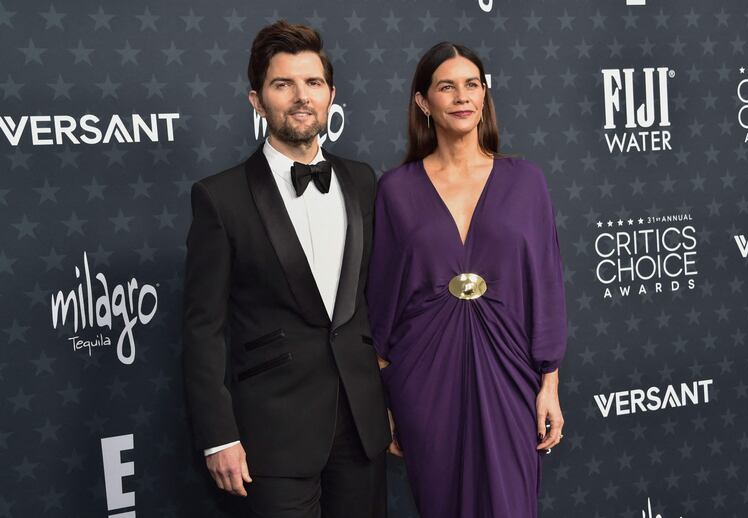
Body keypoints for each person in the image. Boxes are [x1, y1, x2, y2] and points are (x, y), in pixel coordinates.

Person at [182, 20, 390, 518]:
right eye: (283, 84)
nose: (301, 97)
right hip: (271, 437)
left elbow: (372, 301)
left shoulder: (363, 181)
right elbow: (202, 328)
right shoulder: (220, 197)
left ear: (331, 95)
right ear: (256, 100)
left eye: (313, 83)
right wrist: (218, 437)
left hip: (361, 428)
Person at [367, 42, 568, 518]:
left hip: (510, 373)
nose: (462, 97)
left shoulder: (526, 181)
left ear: (484, 96)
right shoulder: (395, 189)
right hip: (424, 378)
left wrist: (550, 383)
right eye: (446, 86)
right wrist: (387, 399)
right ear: (423, 102)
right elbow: (382, 298)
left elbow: (546, 283)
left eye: (472, 84)